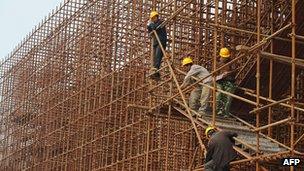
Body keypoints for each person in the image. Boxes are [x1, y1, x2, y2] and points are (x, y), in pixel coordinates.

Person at [216, 48, 237, 117]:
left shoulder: (232, 62)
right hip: (220, 81)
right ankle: (218, 111)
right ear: (221, 56)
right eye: (223, 57)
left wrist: (228, 73)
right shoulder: (219, 63)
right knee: (219, 96)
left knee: (228, 98)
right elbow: (215, 73)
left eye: (226, 57)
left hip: (229, 82)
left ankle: (225, 113)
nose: (224, 58)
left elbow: (235, 71)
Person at [147, 11, 167, 80]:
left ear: (156, 17)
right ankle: (156, 73)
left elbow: (155, 28)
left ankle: (156, 71)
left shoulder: (161, 22)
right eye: (152, 19)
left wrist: (151, 25)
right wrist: (149, 26)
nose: (153, 19)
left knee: (158, 56)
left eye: (153, 18)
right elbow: (149, 32)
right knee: (155, 58)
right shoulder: (153, 23)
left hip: (161, 41)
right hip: (156, 42)